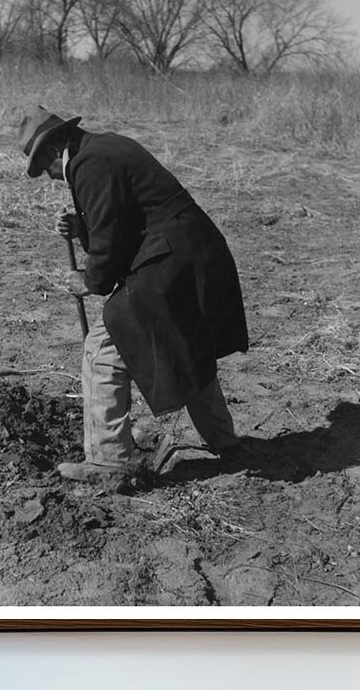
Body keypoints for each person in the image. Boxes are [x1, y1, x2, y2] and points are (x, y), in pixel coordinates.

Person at [17, 105, 249, 483]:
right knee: (184, 344)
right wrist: (81, 226)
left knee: (102, 348)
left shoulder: (88, 163)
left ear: (54, 149)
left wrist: (90, 282)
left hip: (169, 261)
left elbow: (109, 242)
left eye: (44, 166)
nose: (48, 176)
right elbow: (126, 218)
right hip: (190, 254)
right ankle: (225, 441)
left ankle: (108, 461)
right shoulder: (102, 149)